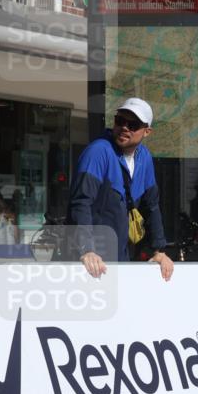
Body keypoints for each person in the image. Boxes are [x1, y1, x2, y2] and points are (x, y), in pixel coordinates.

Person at [68, 98, 173, 280]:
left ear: (147, 131)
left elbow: (152, 206)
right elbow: (81, 202)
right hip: (89, 261)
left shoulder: (144, 157)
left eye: (132, 124)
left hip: (120, 256)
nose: (124, 127)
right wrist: (87, 250)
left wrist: (158, 251)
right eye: (120, 121)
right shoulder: (99, 151)